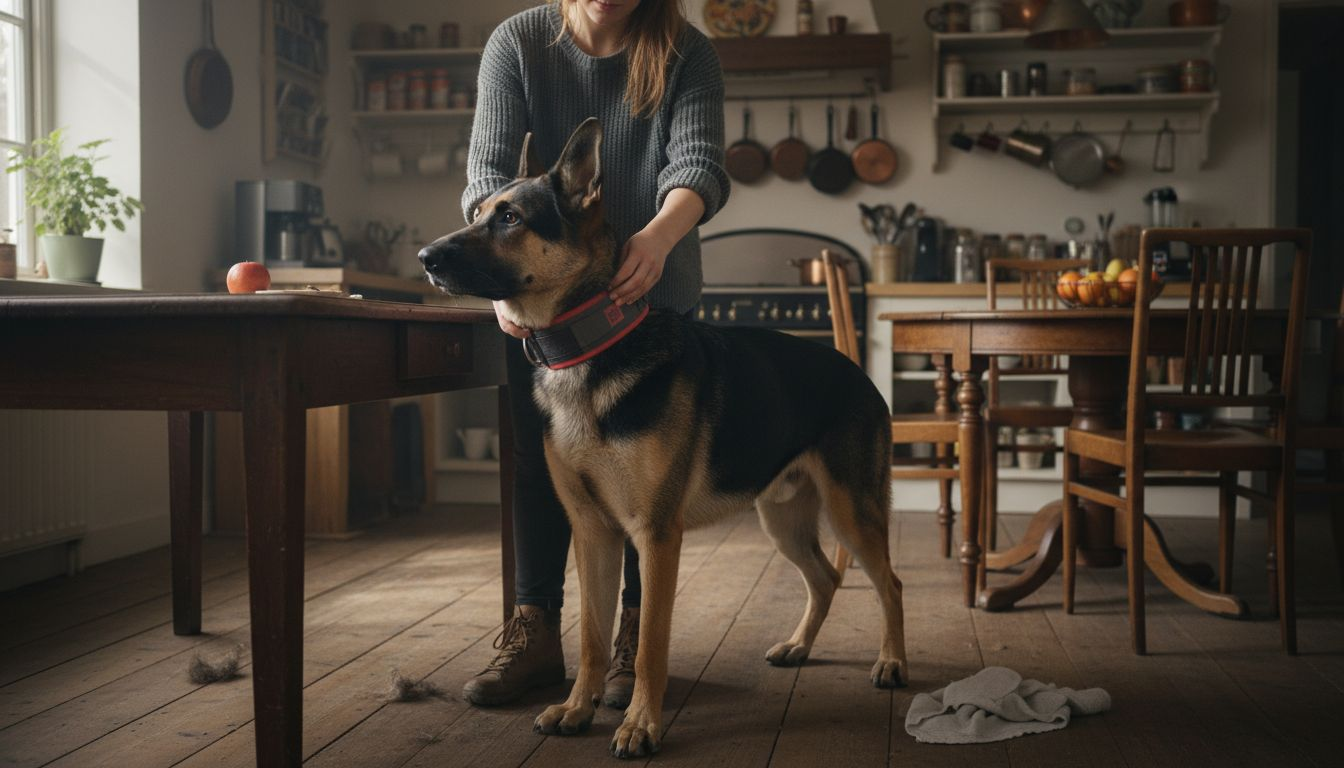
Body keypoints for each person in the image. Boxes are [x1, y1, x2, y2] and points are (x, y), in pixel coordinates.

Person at [459, 0, 729, 708]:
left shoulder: (686, 51)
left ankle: (633, 643)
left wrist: (659, 238)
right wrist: (500, 274)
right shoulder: (518, 43)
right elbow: (488, 172)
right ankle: (535, 632)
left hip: (651, 290)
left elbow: (698, 163)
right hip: (544, 299)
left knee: (650, 487)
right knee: (536, 465)